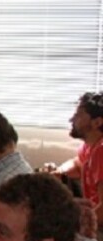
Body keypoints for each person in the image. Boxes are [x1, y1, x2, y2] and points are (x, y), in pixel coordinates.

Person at [42, 92, 103, 225]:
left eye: (78, 115)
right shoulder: (89, 147)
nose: (71, 120)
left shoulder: (101, 151)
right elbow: (77, 163)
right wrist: (59, 172)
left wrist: (77, 228)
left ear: (97, 122)